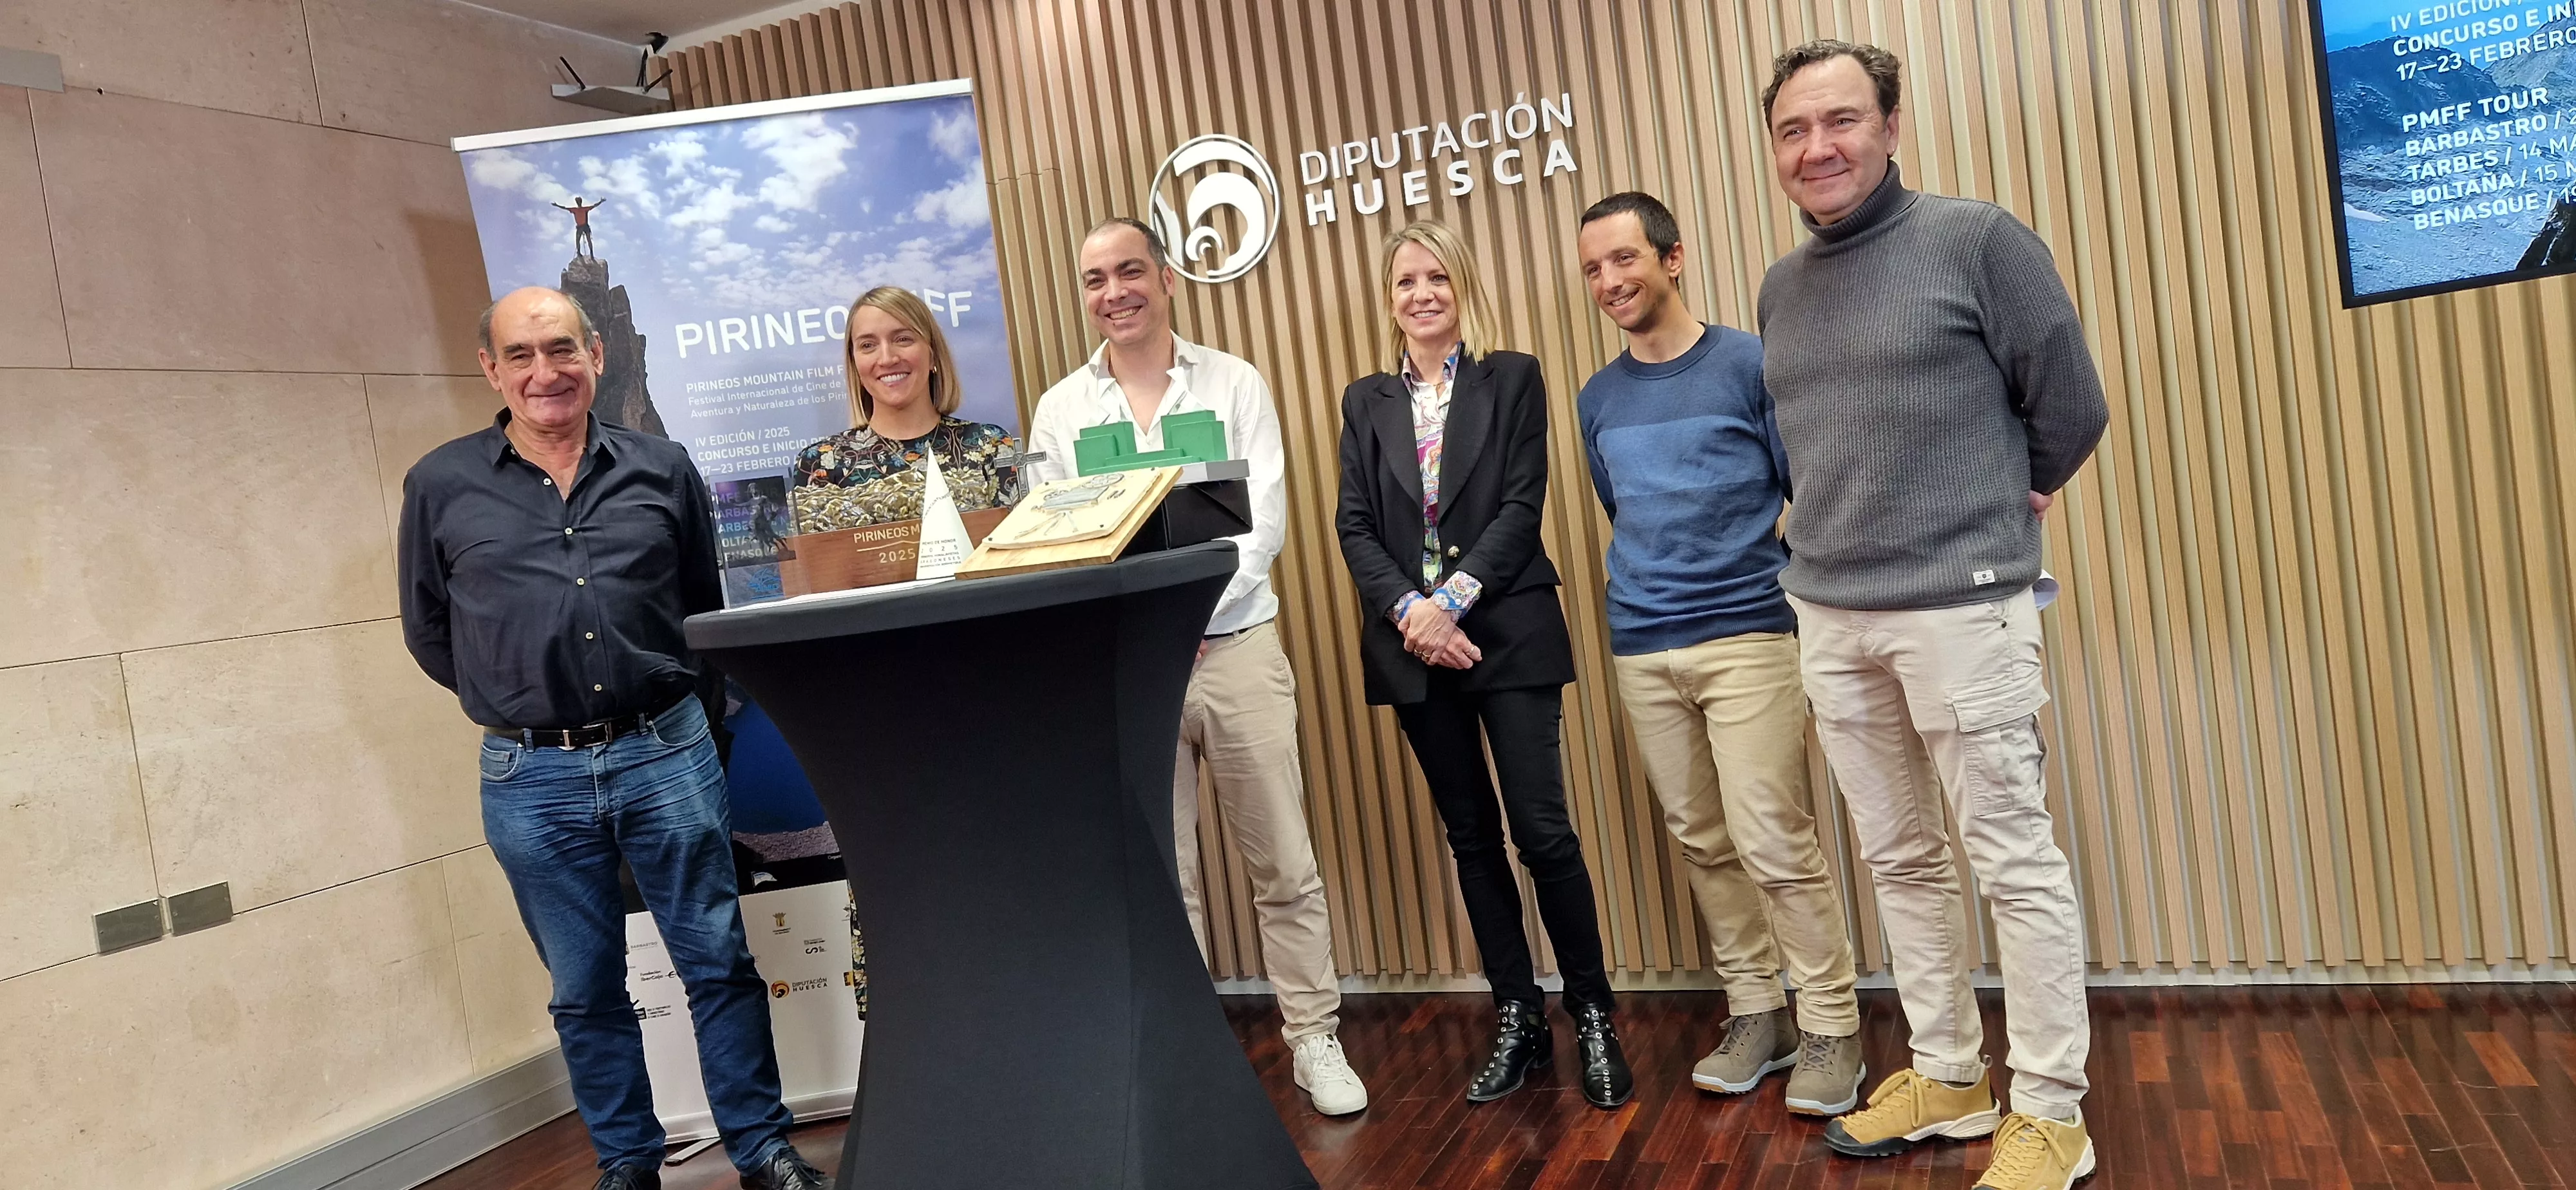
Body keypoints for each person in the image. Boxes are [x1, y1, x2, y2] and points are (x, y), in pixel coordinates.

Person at [1756, 40, 2110, 1190]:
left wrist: (2012, 497)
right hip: (1831, 613)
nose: (1819, 146)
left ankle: (2052, 1112)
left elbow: (2071, 401)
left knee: (2014, 862)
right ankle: (1952, 1074)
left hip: (1963, 608)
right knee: (1900, 860)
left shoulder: (1977, 241)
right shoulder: (1780, 288)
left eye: (1842, 120)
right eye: (1795, 129)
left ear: (1892, 126)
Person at [398, 287, 832, 1190]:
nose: (544, 372)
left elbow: (701, 611)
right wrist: (520, 697)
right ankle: (629, 1162)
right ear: (490, 370)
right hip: (530, 777)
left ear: (597, 355)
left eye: (562, 349)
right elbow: (431, 632)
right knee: (584, 988)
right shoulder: (440, 485)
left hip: (665, 753)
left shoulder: (662, 468)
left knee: (717, 962)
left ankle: (761, 1148)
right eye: (520, 355)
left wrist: (688, 726)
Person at [1026, 217, 1368, 1117]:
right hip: (1128, 672)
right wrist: (1147, 631)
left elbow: (1263, 526)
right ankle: (1187, 1048)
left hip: (1236, 651)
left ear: (1168, 278)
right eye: (1095, 279)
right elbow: (1060, 542)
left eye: (1130, 271)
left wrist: (1184, 618)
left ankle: (1313, 1037)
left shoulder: (1233, 383)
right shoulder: (1062, 411)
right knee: (1161, 878)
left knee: (1282, 861)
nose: (1115, 293)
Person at [1571, 191, 1865, 1115]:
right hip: (1642, 645)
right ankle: (1758, 1014)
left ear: (1672, 257)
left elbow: (1802, 489)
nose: (1609, 281)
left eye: (1624, 259)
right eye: (1593, 269)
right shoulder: (1597, 400)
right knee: (1702, 841)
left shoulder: (1748, 365)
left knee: (1774, 837)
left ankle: (1831, 1024)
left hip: (1747, 633)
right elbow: (1622, 510)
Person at [1332, 220, 1632, 1110]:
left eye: (1437, 277)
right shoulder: (1365, 400)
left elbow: (1521, 505)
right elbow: (1354, 524)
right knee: (1470, 837)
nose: (1422, 294)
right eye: (1405, 282)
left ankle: (1593, 1014)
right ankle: (1518, 1015)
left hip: (1506, 628)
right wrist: (1411, 615)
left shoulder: (1513, 377)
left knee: (1542, 832)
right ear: (1388, 300)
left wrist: (1448, 605)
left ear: (1462, 286)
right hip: (1413, 647)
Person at [788, 286, 1020, 534]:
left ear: (933, 355)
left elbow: (1018, 548)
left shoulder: (989, 446)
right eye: (868, 345)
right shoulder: (820, 463)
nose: (887, 359)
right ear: (855, 364)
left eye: (903, 339)